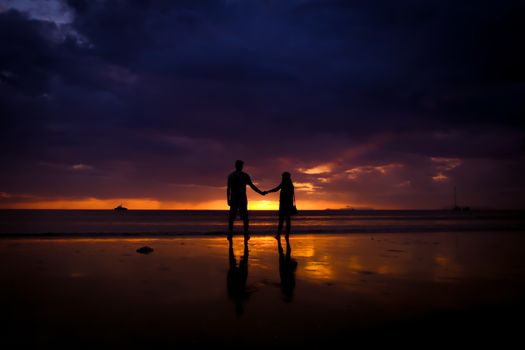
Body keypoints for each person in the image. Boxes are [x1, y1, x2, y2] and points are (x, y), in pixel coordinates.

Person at [227, 160, 266, 241]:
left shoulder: (231, 175)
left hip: (235, 199)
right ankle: (245, 234)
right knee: (244, 218)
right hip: (241, 199)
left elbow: (228, 189)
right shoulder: (244, 175)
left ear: (235, 166)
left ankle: (231, 235)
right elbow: (252, 186)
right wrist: (261, 193)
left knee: (232, 218)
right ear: (241, 166)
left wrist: (228, 199)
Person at [264, 171, 295, 239]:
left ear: (285, 177)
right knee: (288, 221)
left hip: (283, 205)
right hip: (289, 205)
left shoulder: (284, 183)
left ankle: (278, 235)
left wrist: (268, 191)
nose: (282, 178)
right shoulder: (291, 185)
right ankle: (287, 235)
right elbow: (291, 196)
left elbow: (276, 189)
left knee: (281, 220)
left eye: (283, 176)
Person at [227, 239, 250, 316]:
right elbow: (229, 285)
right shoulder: (235, 298)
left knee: (234, 259)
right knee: (240, 259)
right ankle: (244, 241)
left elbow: (228, 285)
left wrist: (229, 274)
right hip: (239, 276)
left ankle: (231, 242)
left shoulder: (234, 297)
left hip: (236, 276)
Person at [278, 236, 298, 302]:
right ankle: (284, 240)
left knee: (283, 254)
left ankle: (281, 241)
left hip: (285, 270)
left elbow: (291, 276)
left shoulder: (289, 286)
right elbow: (292, 276)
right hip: (286, 270)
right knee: (284, 254)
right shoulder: (291, 285)